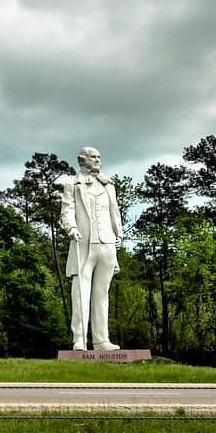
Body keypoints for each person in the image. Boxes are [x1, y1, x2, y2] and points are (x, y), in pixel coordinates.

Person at [60, 146, 124, 351]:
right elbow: (67, 211)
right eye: (93, 157)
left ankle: (101, 340)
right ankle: (79, 339)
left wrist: (119, 233)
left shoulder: (109, 185)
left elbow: (115, 212)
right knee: (80, 294)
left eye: (99, 157)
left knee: (101, 294)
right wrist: (71, 227)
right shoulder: (72, 185)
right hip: (83, 245)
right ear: (82, 160)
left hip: (107, 244)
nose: (98, 160)